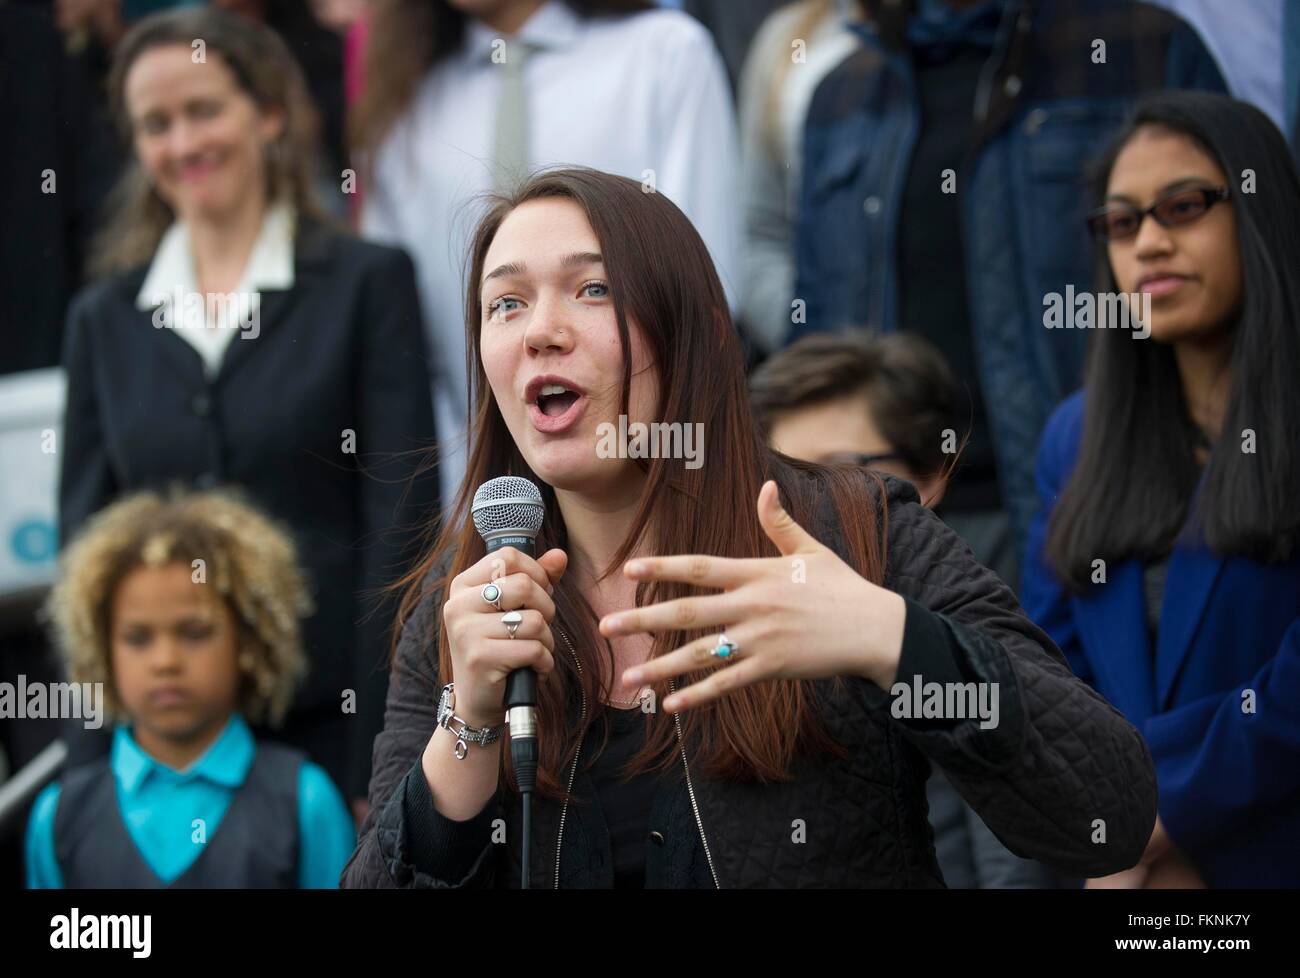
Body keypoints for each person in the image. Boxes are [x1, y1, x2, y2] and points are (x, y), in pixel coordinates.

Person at [341, 167, 1157, 889]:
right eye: (505, 303)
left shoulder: (854, 532)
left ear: (685, 328)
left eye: (592, 289)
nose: (538, 330)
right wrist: (470, 729)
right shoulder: (472, 601)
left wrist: (890, 639)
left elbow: (1105, 814)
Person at [57, 7, 439, 813]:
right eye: (155, 124)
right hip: (166, 753)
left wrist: (385, 749)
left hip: (330, 737)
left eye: (204, 110)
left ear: (269, 113)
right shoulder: (104, 318)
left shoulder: (367, 283)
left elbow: (399, 529)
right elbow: (84, 560)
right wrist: (91, 775)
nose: (183, 142)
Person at [789, 0, 1227, 589]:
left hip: (1100, 498)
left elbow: (1239, 259)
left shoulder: (1145, 44)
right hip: (886, 519)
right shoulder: (842, 92)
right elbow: (812, 320)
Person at [1021, 91, 1300, 887]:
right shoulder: (1074, 438)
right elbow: (1047, 676)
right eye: (1121, 222)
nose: (1147, 243)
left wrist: (1167, 820)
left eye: (1183, 207)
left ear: (1261, 211)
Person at [353, 0, 741, 502]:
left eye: (593, 288)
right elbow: (398, 338)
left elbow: (703, 282)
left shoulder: (663, 53)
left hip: (665, 478)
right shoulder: (406, 98)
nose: (540, 330)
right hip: (476, 488)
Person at [750, 329, 1056, 887]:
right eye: (786, 477)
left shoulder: (980, 602)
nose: (810, 503)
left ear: (932, 476)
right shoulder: (763, 623)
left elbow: (1014, 823)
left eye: (837, 472)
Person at [26, 489, 356, 888]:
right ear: (100, 648)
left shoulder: (306, 801)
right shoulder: (58, 818)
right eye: (138, 638)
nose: (165, 661)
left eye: (195, 632)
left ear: (248, 641)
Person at [738, 0, 862, 357]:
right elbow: (759, 229)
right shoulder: (788, 37)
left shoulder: (983, 38)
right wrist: (813, 346)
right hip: (831, 363)